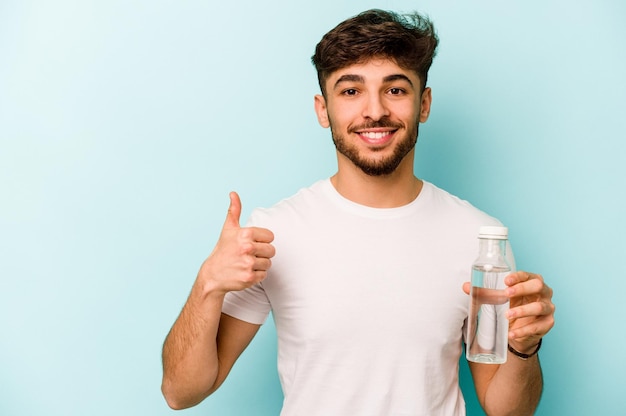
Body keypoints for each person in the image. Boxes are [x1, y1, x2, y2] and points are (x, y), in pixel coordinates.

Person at [161, 9, 555, 415]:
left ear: (424, 104)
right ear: (322, 109)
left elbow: (508, 410)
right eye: (350, 91)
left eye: (396, 90)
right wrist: (207, 283)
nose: (375, 111)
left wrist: (523, 348)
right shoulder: (274, 234)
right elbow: (181, 392)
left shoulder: (480, 239)